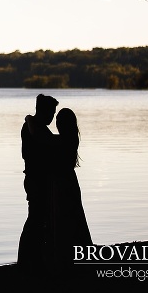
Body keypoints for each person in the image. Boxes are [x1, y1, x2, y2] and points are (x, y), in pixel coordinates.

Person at [17, 93, 58, 273]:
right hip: (35, 179)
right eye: (51, 113)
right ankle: (27, 259)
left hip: (36, 178)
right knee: (35, 218)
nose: (52, 118)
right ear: (44, 111)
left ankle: (34, 257)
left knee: (38, 218)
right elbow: (42, 147)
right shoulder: (33, 128)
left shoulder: (34, 126)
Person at [48, 108, 93, 271]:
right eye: (57, 121)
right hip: (69, 181)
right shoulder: (72, 138)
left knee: (65, 219)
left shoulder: (63, 140)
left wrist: (30, 120)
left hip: (64, 182)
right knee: (74, 217)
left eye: (59, 121)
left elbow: (46, 139)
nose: (57, 124)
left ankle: (66, 258)